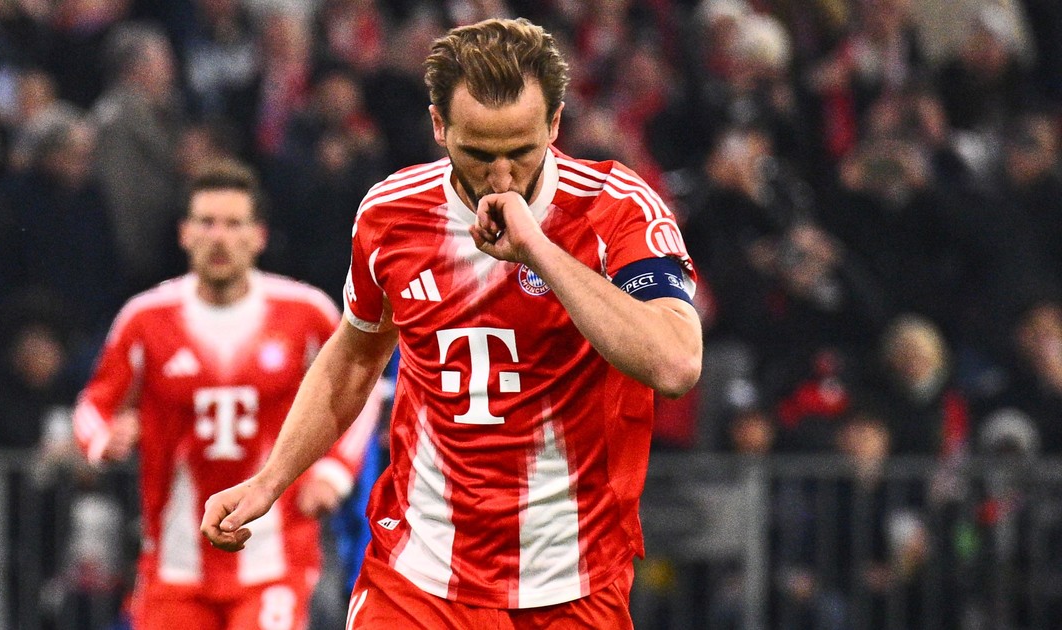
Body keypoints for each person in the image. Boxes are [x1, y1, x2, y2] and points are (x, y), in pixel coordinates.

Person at [202, 18, 702, 628]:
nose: (501, 177)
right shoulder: (391, 213)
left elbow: (676, 363)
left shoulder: (617, 208)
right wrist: (269, 481)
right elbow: (356, 355)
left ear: (554, 124)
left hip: (573, 577)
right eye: (479, 153)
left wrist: (540, 251)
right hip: (419, 572)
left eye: (521, 152)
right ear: (439, 126)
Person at [73, 159, 380, 630]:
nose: (219, 237)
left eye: (234, 224)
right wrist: (102, 441)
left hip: (275, 562)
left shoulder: (304, 312)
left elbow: (362, 387)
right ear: (184, 233)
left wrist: (335, 472)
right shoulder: (145, 319)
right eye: (206, 223)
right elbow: (93, 406)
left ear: (258, 236)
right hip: (173, 567)